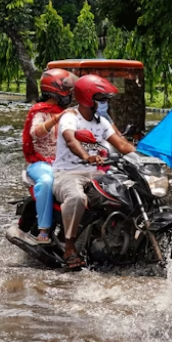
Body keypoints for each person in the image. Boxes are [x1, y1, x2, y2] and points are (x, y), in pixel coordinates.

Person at [52, 74, 135, 270]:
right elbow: (71, 140)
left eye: (105, 100)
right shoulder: (70, 117)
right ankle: (70, 247)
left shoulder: (102, 122)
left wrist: (148, 156)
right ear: (87, 99)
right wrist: (87, 155)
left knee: (124, 194)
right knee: (77, 198)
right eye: (101, 99)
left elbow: (122, 145)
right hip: (68, 173)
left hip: (96, 174)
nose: (104, 103)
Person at [19, 69, 78, 246]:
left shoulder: (71, 113)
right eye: (66, 90)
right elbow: (35, 132)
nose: (69, 94)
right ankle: (44, 229)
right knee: (46, 181)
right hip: (41, 162)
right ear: (55, 90)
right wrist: (55, 119)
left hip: (65, 163)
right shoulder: (40, 111)